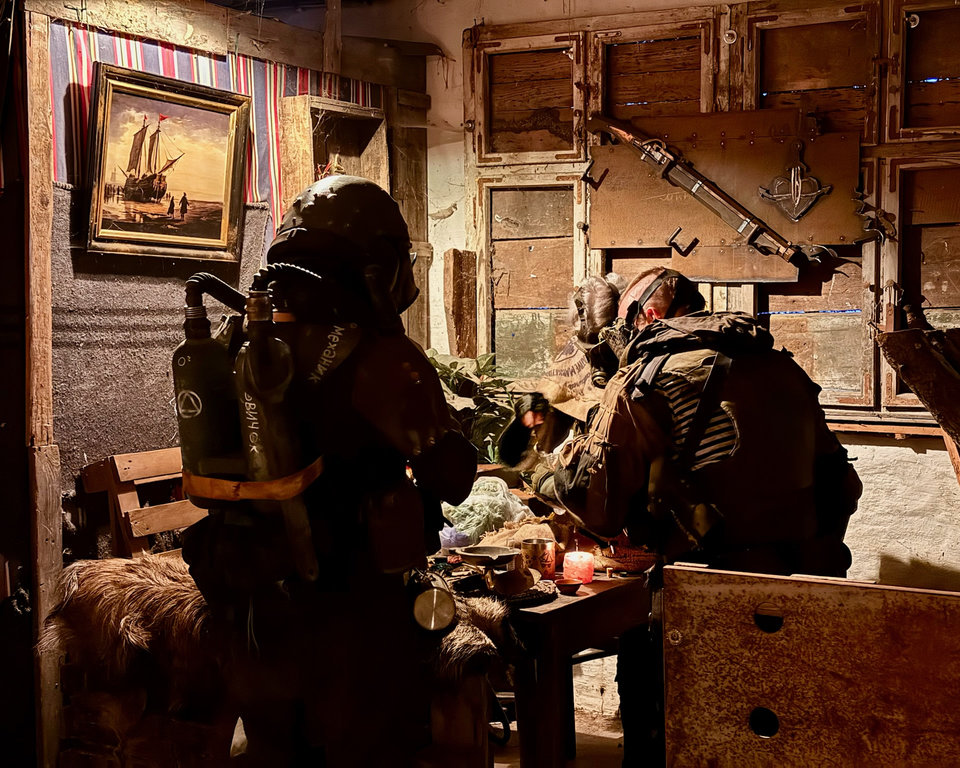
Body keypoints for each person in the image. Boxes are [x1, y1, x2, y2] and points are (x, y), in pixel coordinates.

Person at [181, 175, 477, 766]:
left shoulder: (241, 338)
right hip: (355, 612)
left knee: (276, 751)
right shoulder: (377, 355)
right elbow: (452, 478)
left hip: (252, 603)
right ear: (379, 266)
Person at [551, 266, 862, 767]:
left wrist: (550, 476)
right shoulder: (781, 366)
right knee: (775, 736)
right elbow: (842, 485)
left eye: (625, 327)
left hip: (701, 598)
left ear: (649, 316)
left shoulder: (648, 377)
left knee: (665, 729)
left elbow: (599, 509)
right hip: (804, 585)